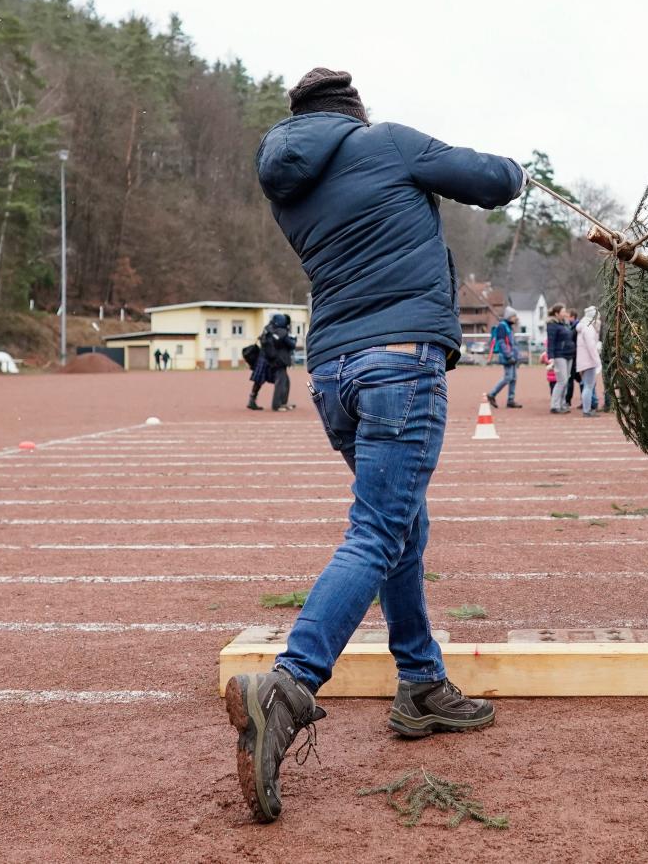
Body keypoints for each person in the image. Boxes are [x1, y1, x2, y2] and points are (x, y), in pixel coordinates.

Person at [226, 67, 524, 824]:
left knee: (402, 526)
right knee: (380, 530)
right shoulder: (384, 143)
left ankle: (421, 683)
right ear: (352, 111)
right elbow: (488, 182)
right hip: (401, 362)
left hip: (333, 373)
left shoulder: (285, 186)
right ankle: (289, 687)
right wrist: (524, 168)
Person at [258, 313, 298, 412]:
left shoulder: (271, 330)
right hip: (280, 360)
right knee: (280, 382)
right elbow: (292, 345)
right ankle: (277, 405)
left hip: (274, 360)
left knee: (285, 381)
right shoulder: (282, 332)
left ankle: (283, 402)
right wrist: (294, 339)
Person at [485, 306, 522, 409]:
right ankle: (492, 394)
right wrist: (509, 355)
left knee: (514, 378)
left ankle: (511, 400)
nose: (516, 318)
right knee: (508, 377)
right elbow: (501, 342)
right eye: (514, 316)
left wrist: (517, 356)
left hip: (512, 356)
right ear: (509, 316)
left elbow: (512, 343)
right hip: (507, 356)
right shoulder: (502, 326)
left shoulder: (510, 327)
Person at [545, 304, 574, 413]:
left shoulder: (564, 324)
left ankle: (562, 404)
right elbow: (551, 342)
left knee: (566, 381)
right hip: (559, 355)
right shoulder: (552, 325)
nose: (565, 313)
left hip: (568, 355)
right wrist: (551, 357)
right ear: (557, 313)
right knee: (562, 381)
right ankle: (555, 405)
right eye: (563, 311)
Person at [576, 305, 602, 417]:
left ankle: (587, 409)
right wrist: (597, 361)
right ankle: (586, 410)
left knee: (587, 385)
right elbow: (591, 346)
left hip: (584, 361)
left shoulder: (584, 327)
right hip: (588, 361)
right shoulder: (588, 328)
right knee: (588, 386)